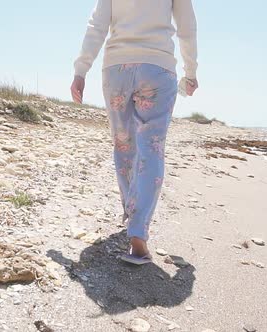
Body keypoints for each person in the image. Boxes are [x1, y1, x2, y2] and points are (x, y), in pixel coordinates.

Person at [71, 0, 199, 264]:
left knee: (124, 145)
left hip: (116, 68)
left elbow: (97, 24)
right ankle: (138, 233)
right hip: (157, 68)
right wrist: (191, 71)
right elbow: (187, 27)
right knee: (151, 149)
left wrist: (81, 69)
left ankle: (132, 216)